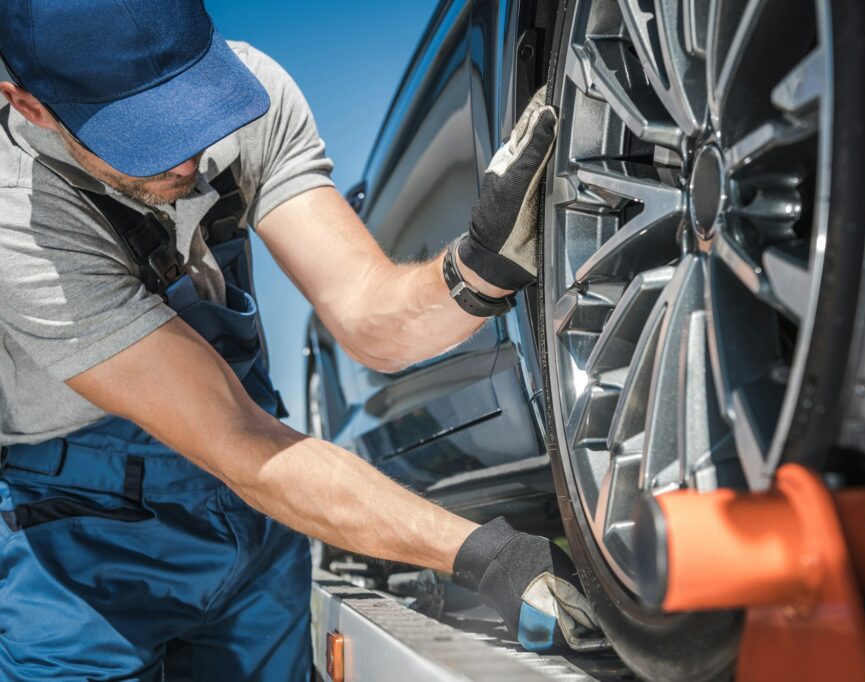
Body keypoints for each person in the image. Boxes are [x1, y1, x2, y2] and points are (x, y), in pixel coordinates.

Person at [0, 1, 603, 679]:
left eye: (195, 105)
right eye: (148, 134)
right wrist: (486, 554)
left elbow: (368, 316)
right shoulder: (17, 221)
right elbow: (242, 441)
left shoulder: (251, 91)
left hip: (256, 522)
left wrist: (478, 272)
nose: (191, 153)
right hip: (81, 550)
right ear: (29, 104)